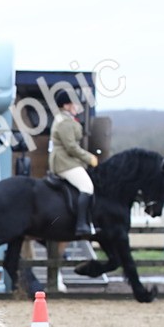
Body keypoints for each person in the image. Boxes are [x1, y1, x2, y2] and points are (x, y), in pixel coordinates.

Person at [49, 88, 99, 238]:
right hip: (63, 161)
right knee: (87, 187)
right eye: (74, 104)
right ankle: (81, 224)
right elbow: (71, 147)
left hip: (67, 159)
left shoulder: (66, 119)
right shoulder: (64, 122)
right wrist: (88, 158)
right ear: (66, 105)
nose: (77, 107)